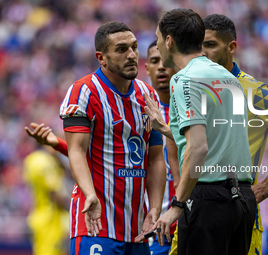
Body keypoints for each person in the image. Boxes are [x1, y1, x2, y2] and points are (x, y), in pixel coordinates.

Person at [137, 8, 257, 255]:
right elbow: (218, 140)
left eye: (158, 39)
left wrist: (177, 205)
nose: (158, 46)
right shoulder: (229, 78)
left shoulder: (184, 80)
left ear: (169, 41)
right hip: (243, 199)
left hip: (208, 199)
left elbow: (199, 148)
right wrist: (169, 130)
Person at [199, 14, 268, 255]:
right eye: (198, 45)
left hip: (237, 209)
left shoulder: (255, 92)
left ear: (231, 47)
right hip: (198, 210)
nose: (202, 52)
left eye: (210, 44)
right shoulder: (193, 89)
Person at [58, 22, 166, 255]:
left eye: (134, 47)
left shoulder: (148, 95)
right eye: (121, 49)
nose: (131, 55)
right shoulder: (84, 91)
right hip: (96, 224)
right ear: (102, 57)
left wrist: (155, 207)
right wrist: (90, 195)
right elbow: (76, 151)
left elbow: (156, 158)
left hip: (137, 230)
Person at [145, 40, 179, 254]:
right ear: (146, 68)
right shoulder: (138, 111)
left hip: (190, 221)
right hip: (155, 227)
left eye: (165, 60)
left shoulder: (193, 109)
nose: (160, 67)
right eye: (154, 61)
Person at [23, 143, 69, 255]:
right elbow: (54, 192)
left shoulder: (31, 159)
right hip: (50, 219)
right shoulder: (46, 162)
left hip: (38, 215)